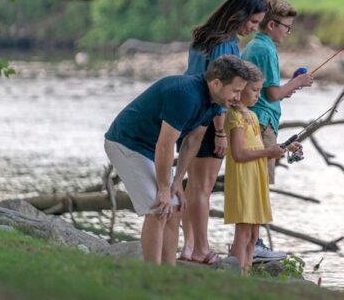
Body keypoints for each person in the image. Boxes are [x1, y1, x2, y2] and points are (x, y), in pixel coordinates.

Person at [104, 55, 251, 264]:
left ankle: (168, 273)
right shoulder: (186, 95)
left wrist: (177, 183)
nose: (238, 98)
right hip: (127, 142)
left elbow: (193, 140)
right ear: (216, 83)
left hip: (150, 148)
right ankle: (151, 276)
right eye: (236, 91)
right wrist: (164, 188)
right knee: (159, 208)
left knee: (175, 208)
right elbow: (165, 144)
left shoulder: (215, 101)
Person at [180, 0, 266, 265]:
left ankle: (189, 246)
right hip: (209, 118)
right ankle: (202, 249)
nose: (253, 29)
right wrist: (220, 130)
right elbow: (219, 90)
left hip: (186, 114)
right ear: (239, 14)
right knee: (202, 188)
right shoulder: (226, 44)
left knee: (192, 186)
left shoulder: (202, 37)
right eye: (252, 22)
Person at [241, 0, 313, 260]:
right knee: (259, 185)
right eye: (286, 26)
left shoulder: (253, 46)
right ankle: (255, 243)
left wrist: (288, 87)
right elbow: (272, 94)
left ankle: (251, 242)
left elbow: (271, 91)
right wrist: (300, 82)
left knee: (255, 183)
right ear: (271, 24)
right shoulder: (266, 49)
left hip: (255, 120)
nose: (288, 31)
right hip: (262, 122)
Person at [223, 62, 302, 273]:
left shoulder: (253, 115)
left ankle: (246, 274)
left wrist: (285, 146)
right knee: (243, 232)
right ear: (240, 90)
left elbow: (259, 147)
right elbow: (239, 154)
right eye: (255, 90)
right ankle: (235, 274)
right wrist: (269, 153)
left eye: (259, 90)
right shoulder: (235, 116)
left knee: (253, 234)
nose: (259, 95)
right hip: (243, 180)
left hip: (255, 179)